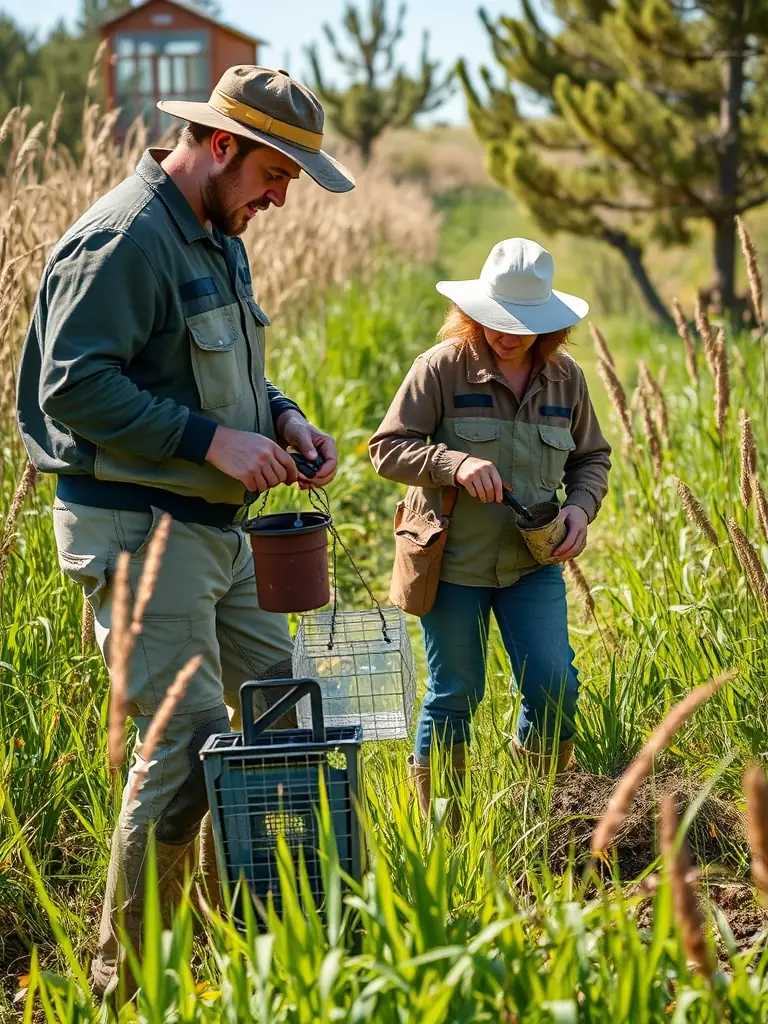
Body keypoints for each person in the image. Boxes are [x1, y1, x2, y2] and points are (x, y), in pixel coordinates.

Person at [16, 66, 354, 996]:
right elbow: (73, 386)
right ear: (219, 146)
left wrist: (281, 419)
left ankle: (230, 942)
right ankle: (134, 986)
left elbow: (214, 367)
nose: (282, 199)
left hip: (216, 532)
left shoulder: (218, 233)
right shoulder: (124, 238)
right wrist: (213, 442)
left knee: (277, 714)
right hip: (135, 529)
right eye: (275, 174)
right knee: (184, 751)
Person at [369, 238, 611, 817]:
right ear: (475, 313)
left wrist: (580, 507)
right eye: (498, 320)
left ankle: (545, 811)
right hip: (452, 564)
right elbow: (387, 450)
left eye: (524, 325)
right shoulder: (440, 369)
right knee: (456, 694)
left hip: (533, 563)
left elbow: (591, 459)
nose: (508, 334)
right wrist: (455, 463)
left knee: (554, 685)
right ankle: (443, 826)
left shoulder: (565, 380)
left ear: (549, 326)